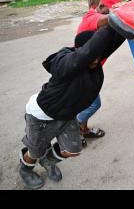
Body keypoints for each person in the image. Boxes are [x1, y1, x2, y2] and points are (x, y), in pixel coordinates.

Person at [18, 25, 125, 189]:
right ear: (80, 51)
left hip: (67, 116)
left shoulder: (94, 65)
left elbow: (113, 41)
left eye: (99, 56)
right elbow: (88, 52)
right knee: (35, 152)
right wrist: (110, 22)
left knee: (73, 150)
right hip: (41, 116)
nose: (96, 60)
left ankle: (48, 161)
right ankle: (25, 169)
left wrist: (125, 19)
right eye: (92, 55)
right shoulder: (65, 63)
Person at [76, 0, 122, 147]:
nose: (113, 15)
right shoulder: (92, 17)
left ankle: (83, 129)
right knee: (94, 104)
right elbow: (105, 20)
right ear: (101, 6)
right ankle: (74, 127)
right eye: (111, 11)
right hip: (83, 69)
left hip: (92, 68)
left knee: (86, 101)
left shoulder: (102, 15)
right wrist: (124, 15)